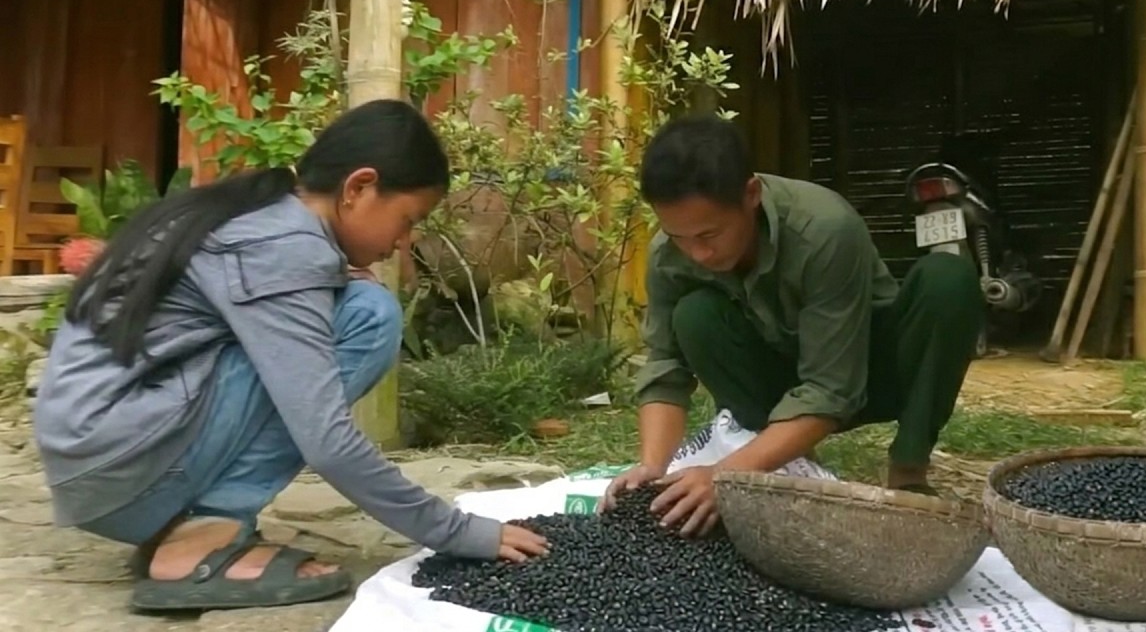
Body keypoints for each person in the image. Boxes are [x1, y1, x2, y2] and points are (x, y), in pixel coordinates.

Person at [33, 99, 547, 612]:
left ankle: (188, 525)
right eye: (407, 220)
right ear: (358, 188)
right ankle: (207, 532)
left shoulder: (261, 217)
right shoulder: (285, 244)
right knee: (369, 316)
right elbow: (326, 439)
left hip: (100, 460)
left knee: (356, 305)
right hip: (116, 472)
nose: (402, 243)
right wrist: (456, 532)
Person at [601, 115, 984, 537]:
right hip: (781, 382)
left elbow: (832, 388)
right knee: (694, 315)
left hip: (868, 369)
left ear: (751, 195)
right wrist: (651, 467)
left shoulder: (824, 227)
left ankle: (908, 470)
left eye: (709, 235)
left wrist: (724, 474)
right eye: (679, 237)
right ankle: (788, 459)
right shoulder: (668, 255)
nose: (698, 254)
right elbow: (665, 368)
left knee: (949, 279)